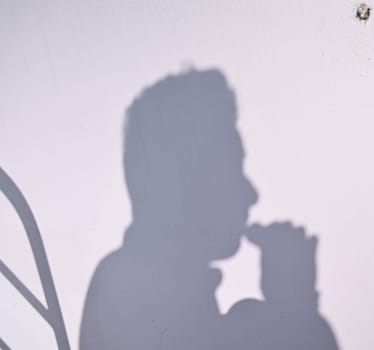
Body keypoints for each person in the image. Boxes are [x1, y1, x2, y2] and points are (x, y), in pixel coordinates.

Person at [79, 69, 338, 350]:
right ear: (180, 179)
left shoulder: (135, 289)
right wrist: (294, 307)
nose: (251, 194)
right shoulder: (130, 290)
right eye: (231, 167)